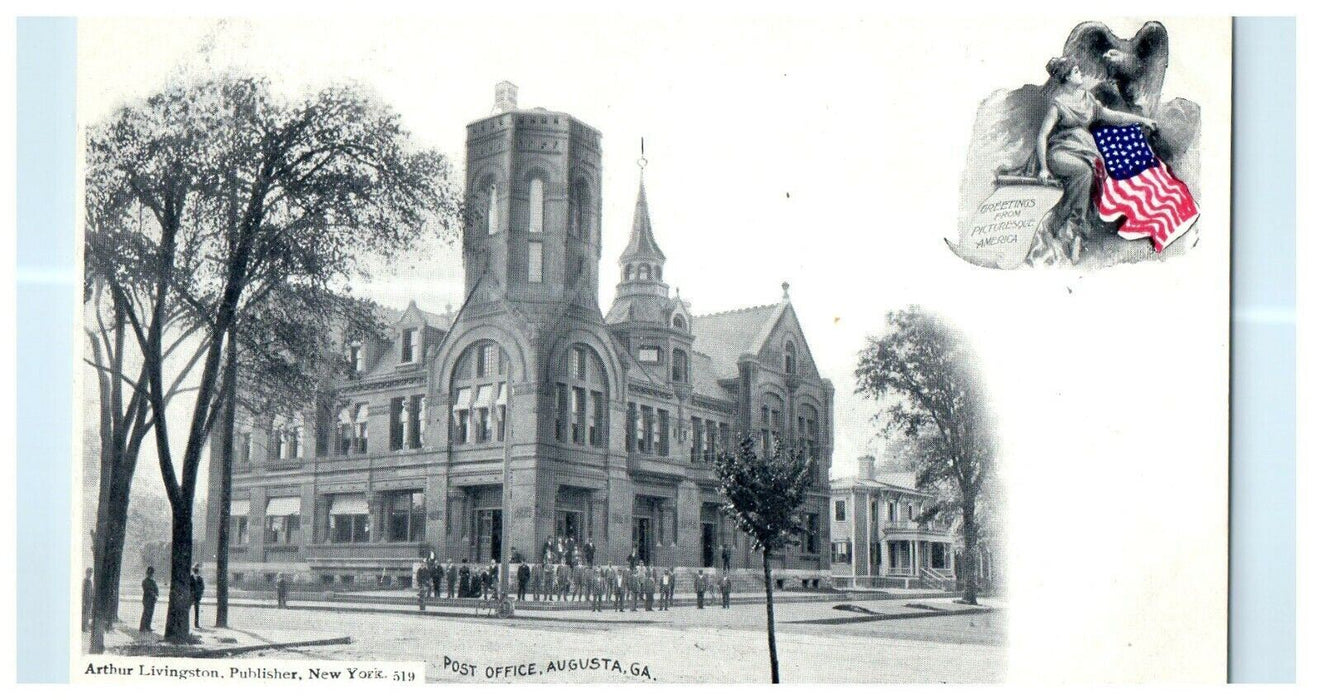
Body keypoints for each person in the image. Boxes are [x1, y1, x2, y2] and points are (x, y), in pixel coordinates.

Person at [1027, 55, 1158, 266]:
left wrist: (1143, 120)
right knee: (1085, 172)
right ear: (1067, 77)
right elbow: (1043, 136)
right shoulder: (1058, 103)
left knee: (1095, 170)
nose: (1081, 74)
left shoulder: (1086, 99)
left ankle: (1073, 231)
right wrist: (1043, 168)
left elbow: (1113, 116)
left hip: (1085, 151)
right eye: (1077, 71)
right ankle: (1070, 228)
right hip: (1061, 153)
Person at [139, 567, 159, 633]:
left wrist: (156, 595)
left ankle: (148, 626)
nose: (151, 574)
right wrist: (154, 595)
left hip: (152, 600)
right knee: (146, 613)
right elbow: (147, 590)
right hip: (147, 599)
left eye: (152, 573)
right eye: (150, 573)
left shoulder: (153, 581)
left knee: (150, 613)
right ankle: (142, 627)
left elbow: (156, 589)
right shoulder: (145, 581)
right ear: (147, 573)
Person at [190, 564, 205, 629]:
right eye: (195, 570)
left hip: (197, 597)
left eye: (197, 570)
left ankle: (196, 624)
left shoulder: (200, 578)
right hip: (190, 596)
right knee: (188, 609)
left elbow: (202, 587)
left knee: (197, 611)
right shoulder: (190, 578)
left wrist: (200, 594)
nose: (196, 571)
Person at [81, 567, 94, 632]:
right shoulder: (85, 581)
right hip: (85, 600)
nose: (90, 574)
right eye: (89, 573)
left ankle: (85, 627)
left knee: (88, 614)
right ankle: (84, 628)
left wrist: (92, 598)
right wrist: (83, 602)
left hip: (89, 600)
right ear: (86, 573)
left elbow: (91, 591)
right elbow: (83, 592)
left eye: (91, 573)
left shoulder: (90, 581)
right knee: (85, 614)